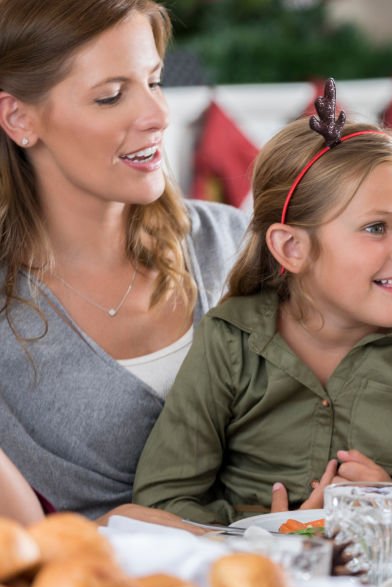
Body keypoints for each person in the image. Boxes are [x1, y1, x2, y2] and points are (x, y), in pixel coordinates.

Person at [133, 81, 392, 525]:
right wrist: (263, 531)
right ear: (292, 248)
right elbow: (160, 502)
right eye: (377, 228)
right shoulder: (230, 343)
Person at [0, 0, 248, 519]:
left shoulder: (231, 243)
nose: (157, 115)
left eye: (154, 82)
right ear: (19, 117)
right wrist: (117, 534)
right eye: (111, 97)